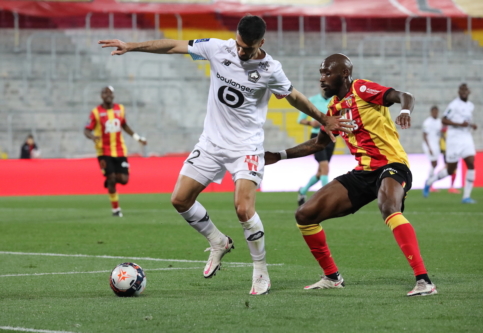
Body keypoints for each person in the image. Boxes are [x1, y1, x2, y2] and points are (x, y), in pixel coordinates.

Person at [98, 15, 351, 295]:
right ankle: (218, 241)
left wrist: (322, 118)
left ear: (262, 43)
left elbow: (293, 96)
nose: (243, 52)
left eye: (249, 48)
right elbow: (173, 46)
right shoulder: (217, 48)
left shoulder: (270, 68)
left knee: (243, 209)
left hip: (247, 147)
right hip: (211, 143)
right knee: (180, 199)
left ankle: (260, 272)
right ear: (236, 38)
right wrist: (132, 46)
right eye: (240, 46)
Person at [265, 53, 437, 297]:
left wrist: (406, 110)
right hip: (362, 172)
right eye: (320, 74)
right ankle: (332, 277)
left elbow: (403, 96)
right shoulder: (333, 109)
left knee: (388, 206)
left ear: (344, 73)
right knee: (305, 214)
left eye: (327, 73)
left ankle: (424, 281)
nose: (321, 79)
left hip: (392, 165)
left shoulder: (361, 89)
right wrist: (278, 155)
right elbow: (317, 144)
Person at [84, 86, 147, 217]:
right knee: (112, 178)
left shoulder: (120, 109)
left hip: (119, 150)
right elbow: (86, 130)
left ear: (113, 95)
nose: (108, 95)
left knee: (124, 179)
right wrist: (92, 137)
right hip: (103, 150)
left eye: (110, 93)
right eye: (105, 93)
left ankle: (109, 180)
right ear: (101, 96)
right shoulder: (96, 112)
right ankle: (116, 209)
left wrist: (138, 138)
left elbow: (124, 125)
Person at [423, 83, 477, 203]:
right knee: (450, 170)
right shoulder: (454, 105)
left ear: (469, 92)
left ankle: (466, 196)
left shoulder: (470, 106)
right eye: (461, 90)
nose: (463, 92)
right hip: (454, 139)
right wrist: (459, 124)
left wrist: (471, 125)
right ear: (458, 92)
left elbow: (466, 121)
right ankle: (429, 182)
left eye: (465, 90)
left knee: (471, 163)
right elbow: (444, 119)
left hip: (466, 137)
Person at [297, 89, 334, 206]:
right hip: (317, 137)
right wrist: (310, 123)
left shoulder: (335, 100)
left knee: (320, 171)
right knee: (325, 168)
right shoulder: (313, 100)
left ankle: (303, 191)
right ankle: (326, 198)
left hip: (331, 136)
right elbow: (300, 119)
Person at [422, 106, 442, 192]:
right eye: (434, 112)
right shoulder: (427, 122)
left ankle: (429, 182)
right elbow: (424, 136)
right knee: (434, 163)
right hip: (429, 145)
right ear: (431, 112)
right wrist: (429, 148)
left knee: (435, 164)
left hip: (436, 145)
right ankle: (429, 183)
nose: (435, 113)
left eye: (436, 112)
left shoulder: (439, 121)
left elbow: (440, 133)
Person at [440, 125, 460, 193]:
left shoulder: (451, 127)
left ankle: (452, 187)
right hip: (447, 150)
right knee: (449, 167)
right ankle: (430, 181)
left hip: (451, 150)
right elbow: (442, 132)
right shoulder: (447, 126)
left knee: (453, 168)